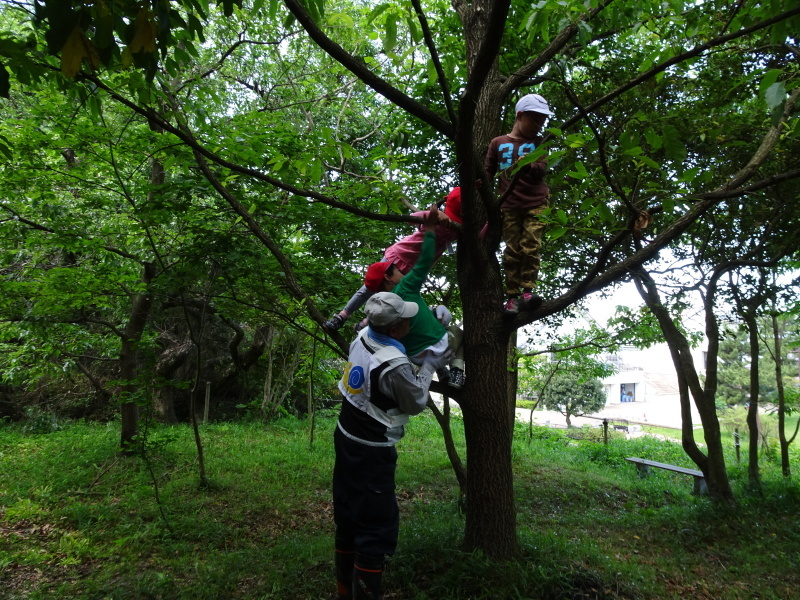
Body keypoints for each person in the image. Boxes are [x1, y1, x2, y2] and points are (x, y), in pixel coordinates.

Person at [333, 291, 449, 600]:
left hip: (345, 435)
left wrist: (428, 325)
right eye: (409, 320)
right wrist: (431, 363)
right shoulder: (395, 365)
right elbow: (415, 401)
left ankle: (344, 590)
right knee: (374, 527)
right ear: (395, 329)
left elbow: (389, 353)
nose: (413, 322)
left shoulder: (361, 336)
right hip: (371, 452)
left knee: (347, 516)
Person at [323, 188, 462, 332]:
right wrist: (435, 214)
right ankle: (341, 316)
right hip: (398, 256)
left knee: (397, 297)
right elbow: (411, 218)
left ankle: (366, 324)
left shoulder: (460, 227)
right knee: (369, 288)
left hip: (414, 268)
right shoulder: (436, 218)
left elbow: (478, 237)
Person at [361, 206, 465, 389]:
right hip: (439, 347)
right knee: (458, 332)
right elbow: (424, 260)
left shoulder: (379, 309)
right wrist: (431, 230)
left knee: (430, 320)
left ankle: (442, 372)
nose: (402, 270)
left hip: (414, 356)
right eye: (398, 270)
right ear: (389, 277)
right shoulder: (406, 287)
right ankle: (457, 371)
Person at [484, 93, 554, 315]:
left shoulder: (539, 143)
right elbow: (488, 169)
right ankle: (512, 297)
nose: (538, 125)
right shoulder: (498, 142)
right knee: (512, 249)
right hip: (510, 205)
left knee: (531, 245)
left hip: (536, 203)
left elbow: (542, 169)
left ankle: (528, 291)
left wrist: (528, 166)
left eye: (542, 121)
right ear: (520, 115)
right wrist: (481, 184)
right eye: (535, 119)